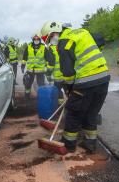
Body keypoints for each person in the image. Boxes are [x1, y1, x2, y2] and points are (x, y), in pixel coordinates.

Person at [41, 21, 110, 153]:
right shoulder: (82, 32)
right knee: (91, 112)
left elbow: (67, 72)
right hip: (104, 79)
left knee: (73, 112)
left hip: (86, 81)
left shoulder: (63, 43)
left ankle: (68, 144)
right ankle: (90, 143)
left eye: (49, 37)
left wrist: (69, 89)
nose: (51, 41)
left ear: (55, 32)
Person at [21, 34, 54, 98]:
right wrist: (23, 65)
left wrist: (48, 68)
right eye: (35, 39)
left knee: (41, 85)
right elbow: (25, 57)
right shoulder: (28, 47)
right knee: (27, 84)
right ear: (33, 39)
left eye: (37, 39)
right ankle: (27, 96)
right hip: (30, 70)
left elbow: (48, 58)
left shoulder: (44, 47)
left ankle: (42, 97)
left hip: (40, 71)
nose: (36, 40)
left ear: (40, 39)